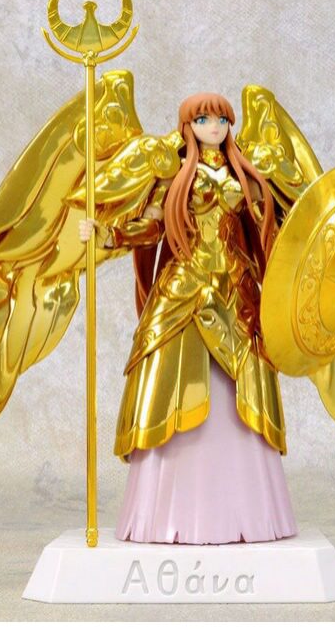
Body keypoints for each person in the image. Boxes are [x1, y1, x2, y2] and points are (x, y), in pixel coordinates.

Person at [79, 92, 298, 545]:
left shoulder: (244, 175)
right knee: (162, 369)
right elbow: (153, 225)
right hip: (184, 288)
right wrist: (108, 233)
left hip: (236, 290)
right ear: (188, 126)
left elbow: (271, 224)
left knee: (248, 375)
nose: (213, 126)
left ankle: (248, 512)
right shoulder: (175, 175)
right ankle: (165, 513)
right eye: (203, 119)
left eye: (221, 119)